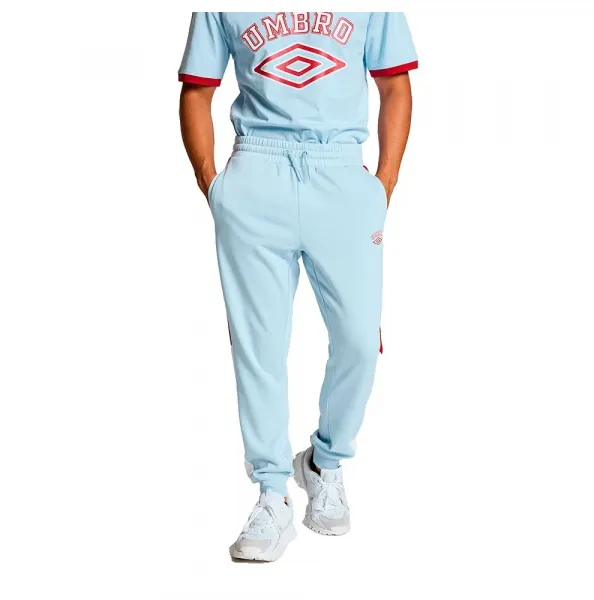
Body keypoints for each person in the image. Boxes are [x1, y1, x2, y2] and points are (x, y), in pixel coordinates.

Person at [178, 12, 417, 561]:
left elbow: (394, 82)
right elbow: (197, 89)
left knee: (360, 339)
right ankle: (271, 492)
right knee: (258, 345)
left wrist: (382, 185)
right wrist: (215, 187)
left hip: (341, 170)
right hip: (256, 171)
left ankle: (324, 461)